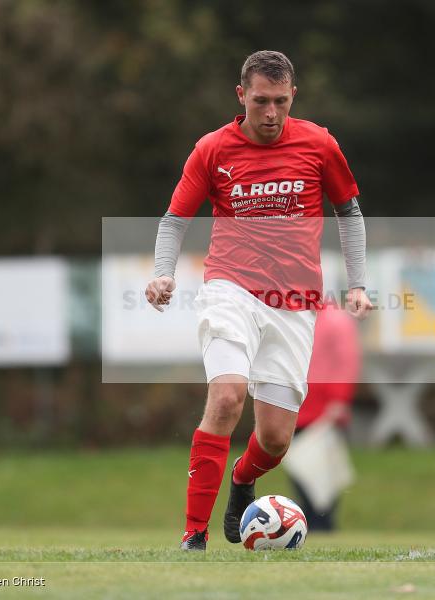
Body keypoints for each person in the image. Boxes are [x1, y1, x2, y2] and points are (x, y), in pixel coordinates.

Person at [144, 50, 371, 550]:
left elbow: (348, 213)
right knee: (226, 396)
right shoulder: (212, 149)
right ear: (241, 95)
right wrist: (163, 274)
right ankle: (194, 535)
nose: (271, 114)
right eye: (262, 101)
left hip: (294, 303)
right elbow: (175, 219)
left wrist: (357, 283)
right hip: (231, 288)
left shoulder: (318, 143)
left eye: (281, 102)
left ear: (294, 97)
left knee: (274, 441)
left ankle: (243, 479)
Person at [288, 300, 361, 531]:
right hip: (297, 408)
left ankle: (322, 525)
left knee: (322, 476)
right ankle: (309, 523)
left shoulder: (335, 320)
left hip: (324, 412)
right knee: (300, 471)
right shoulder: (293, 318)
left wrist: (339, 399)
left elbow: (346, 362)